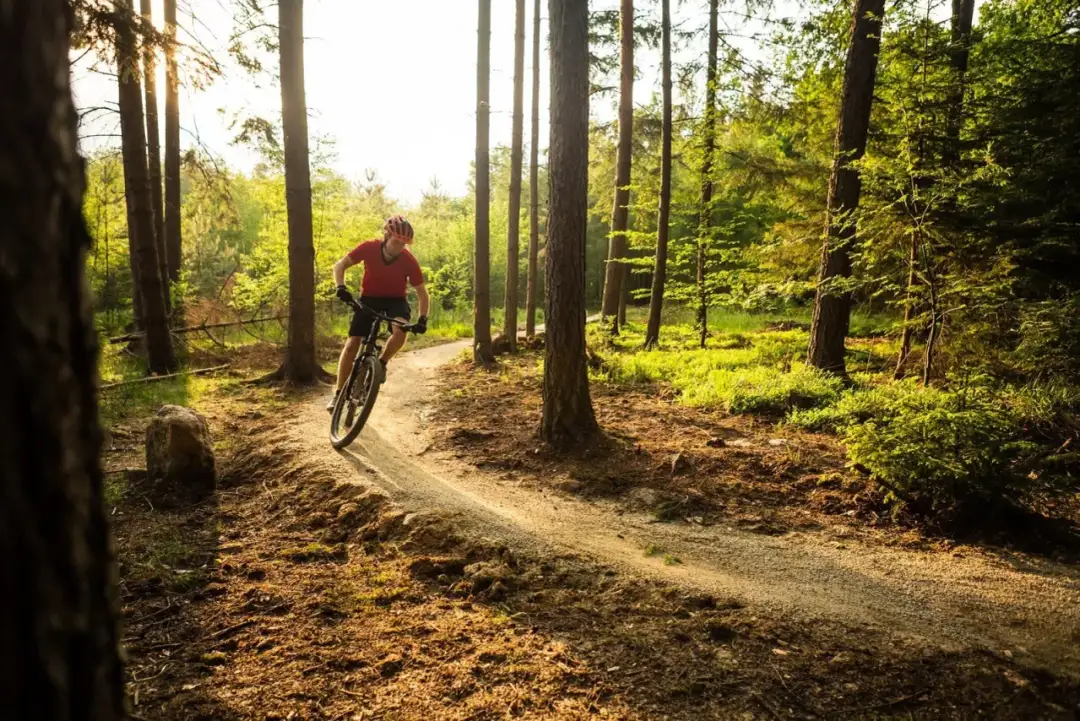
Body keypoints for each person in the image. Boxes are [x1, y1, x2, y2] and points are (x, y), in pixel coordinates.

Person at [327, 214, 429, 411]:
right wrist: (341, 287)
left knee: (400, 331)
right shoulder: (369, 248)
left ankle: (381, 363)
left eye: (403, 243)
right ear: (386, 235)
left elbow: (422, 293)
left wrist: (423, 318)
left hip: (396, 301)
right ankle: (339, 393)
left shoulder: (409, 261)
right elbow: (340, 265)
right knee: (352, 343)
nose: (399, 246)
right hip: (370, 299)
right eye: (396, 241)